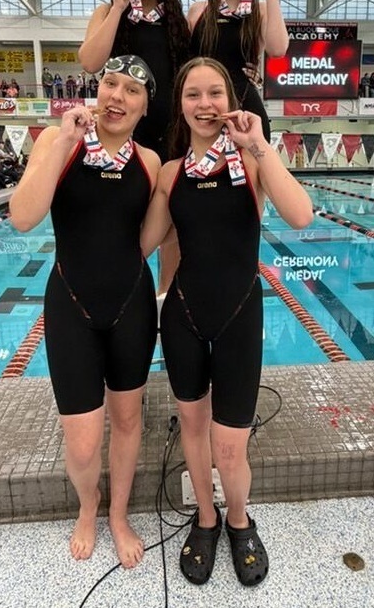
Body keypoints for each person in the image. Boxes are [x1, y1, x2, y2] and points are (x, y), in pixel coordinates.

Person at [140, 57, 313, 588]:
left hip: (240, 314)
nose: (206, 103)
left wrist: (260, 143)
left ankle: (239, 519)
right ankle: (207, 518)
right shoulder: (171, 173)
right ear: (181, 105)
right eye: (193, 94)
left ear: (230, 101)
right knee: (192, 429)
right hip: (185, 316)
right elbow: (142, 244)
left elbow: (302, 214)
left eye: (215, 92)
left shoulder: (251, 161)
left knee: (230, 445)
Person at [10, 54, 160, 566]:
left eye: (131, 92)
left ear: (144, 107)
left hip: (131, 306)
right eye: (110, 85)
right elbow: (23, 218)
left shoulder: (150, 162)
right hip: (70, 304)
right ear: (97, 91)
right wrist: (65, 142)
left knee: (126, 420)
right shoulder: (58, 142)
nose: (117, 96)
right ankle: (88, 503)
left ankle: (117, 514)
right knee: (80, 444)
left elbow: (148, 240)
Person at [79, 0, 191, 294]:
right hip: (120, 140)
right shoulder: (107, 13)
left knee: (171, 231)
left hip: (171, 139)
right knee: (121, 228)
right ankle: (122, 301)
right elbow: (90, 62)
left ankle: (165, 307)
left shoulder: (176, 21)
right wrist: (117, 10)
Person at [187, 0, 289, 142]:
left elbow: (278, 49)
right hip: (205, 115)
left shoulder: (260, 11)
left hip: (246, 114)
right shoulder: (198, 12)